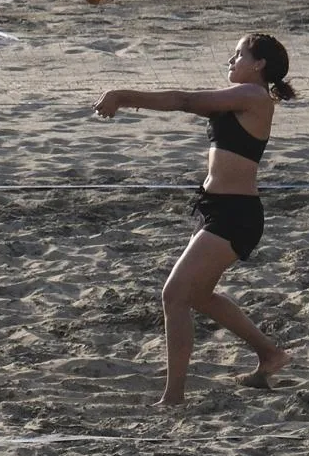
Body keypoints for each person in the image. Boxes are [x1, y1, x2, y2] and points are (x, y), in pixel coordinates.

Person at [94, 33, 298, 406]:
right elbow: (187, 101)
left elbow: (184, 101)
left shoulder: (254, 97)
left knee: (174, 295)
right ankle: (271, 355)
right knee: (199, 295)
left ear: (259, 65)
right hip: (217, 209)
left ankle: (173, 398)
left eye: (239, 54)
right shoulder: (239, 97)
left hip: (236, 215)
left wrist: (123, 95)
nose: (231, 60)